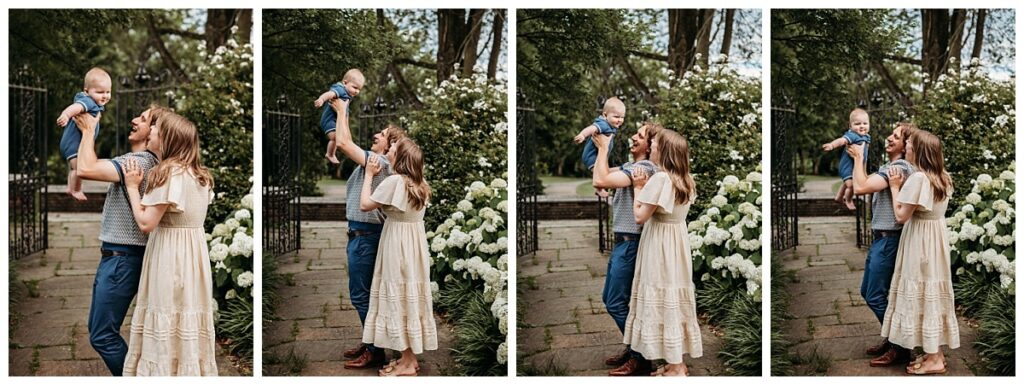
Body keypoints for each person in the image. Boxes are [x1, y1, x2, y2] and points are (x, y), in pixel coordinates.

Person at [119, 111, 218, 376]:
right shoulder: (200, 175)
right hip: (193, 259)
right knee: (184, 316)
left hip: (170, 258)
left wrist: (131, 186)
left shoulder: (168, 173)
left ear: (167, 139)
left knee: (165, 314)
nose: (150, 131)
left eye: (156, 129)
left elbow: (145, 223)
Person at [73, 105, 162, 376]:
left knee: (102, 334)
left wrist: (88, 130)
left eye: (144, 119)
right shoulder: (141, 162)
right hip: (123, 259)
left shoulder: (139, 163)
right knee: (103, 330)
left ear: (154, 132)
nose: (134, 120)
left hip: (121, 260)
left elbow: (85, 169)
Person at [326, 98, 408, 370]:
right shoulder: (378, 161)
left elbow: (343, 143)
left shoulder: (381, 162)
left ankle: (374, 350)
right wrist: (342, 115)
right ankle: (369, 338)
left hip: (366, 236)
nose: (376, 135)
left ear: (389, 145)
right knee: (366, 293)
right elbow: (344, 139)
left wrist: (341, 110)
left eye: (382, 134)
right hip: (363, 235)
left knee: (361, 295)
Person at [622, 128, 702, 376]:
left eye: (655, 145)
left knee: (662, 296)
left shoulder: (660, 179)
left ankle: (677, 368)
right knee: (673, 300)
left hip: (659, 246)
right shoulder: (686, 179)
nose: (651, 148)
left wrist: (638, 187)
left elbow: (639, 217)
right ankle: (675, 361)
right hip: (676, 244)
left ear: (664, 151)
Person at [882, 129, 959, 375]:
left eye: (910, 144)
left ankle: (934, 359)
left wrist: (895, 187)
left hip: (920, 243)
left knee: (922, 291)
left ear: (920, 150)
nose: (906, 147)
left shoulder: (918, 179)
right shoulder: (942, 177)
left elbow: (901, 216)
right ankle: (933, 353)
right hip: (935, 240)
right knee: (931, 292)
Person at [359, 138, 438, 376]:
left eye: (391, 150)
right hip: (414, 244)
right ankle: (409, 359)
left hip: (397, 245)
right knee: (409, 297)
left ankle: (406, 364)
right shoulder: (419, 183)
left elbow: (364, 205)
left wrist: (369, 175)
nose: (388, 151)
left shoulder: (395, 181)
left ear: (400, 157)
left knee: (398, 297)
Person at [591, 123, 658, 376]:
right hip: (623, 241)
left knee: (617, 302)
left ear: (649, 146)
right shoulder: (632, 167)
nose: (633, 137)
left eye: (639, 136)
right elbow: (602, 174)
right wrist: (600, 152)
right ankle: (633, 348)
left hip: (631, 243)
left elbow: (600, 178)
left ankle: (641, 358)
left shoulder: (644, 168)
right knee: (611, 298)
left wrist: (605, 147)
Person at [847, 123, 916, 367]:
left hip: (889, 239)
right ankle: (892, 338)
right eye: (891, 134)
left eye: (896, 137)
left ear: (905, 144)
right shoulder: (890, 168)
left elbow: (861, 187)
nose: (889, 138)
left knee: (876, 294)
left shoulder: (899, 168)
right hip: (880, 238)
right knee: (869, 292)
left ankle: (901, 347)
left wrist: (858, 158)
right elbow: (864, 182)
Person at [58, 67, 112, 201]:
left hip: (71, 143)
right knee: (80, 168)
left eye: (108, 92)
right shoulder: (88, 101)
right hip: (74, 143)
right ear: (87, 91)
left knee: (74, 169)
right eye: (100, 92)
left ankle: (71, 188)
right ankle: (76, 189)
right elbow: (76, 107)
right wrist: (66, 114)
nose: (105, 95)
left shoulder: (93, 102)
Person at [575, 97, 626, 196]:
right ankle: (599, 189)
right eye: (616, 117)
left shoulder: (610, 125)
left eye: (622, 117)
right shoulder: (603, 124)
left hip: (598, 154)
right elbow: (592, 128)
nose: (620, 120)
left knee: (603, 171)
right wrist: (582, 135)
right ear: (605, 115)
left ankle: (602, 186)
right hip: (591, 155)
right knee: (599, 172)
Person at [822, 107, 871, 210]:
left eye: (865, 123)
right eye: (857, 124)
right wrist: (832, 145)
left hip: (856, 166)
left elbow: (864, 155)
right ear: (850, 126)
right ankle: (848, 199)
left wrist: (864, 169)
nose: (862, 126)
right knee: (851, 185)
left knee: (846, 182)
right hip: (847, 166)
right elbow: (842, 140)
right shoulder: (852, 135)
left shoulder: (866, 137)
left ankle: (839, 197)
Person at [314, 68, 365, 164]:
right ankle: (330, 154)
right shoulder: (340, 90)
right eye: (355, 87)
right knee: (336, 137)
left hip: (334, 120)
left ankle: (331, 154)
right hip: (328, 120)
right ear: (345, 83)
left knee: (340, 137)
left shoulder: (347, 94)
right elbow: (330, 94)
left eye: (359, 89)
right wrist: (321, 99)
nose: (357, 91)